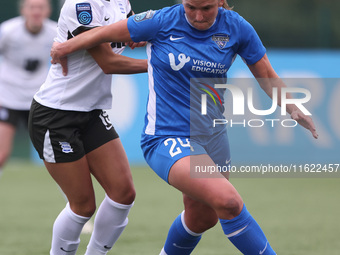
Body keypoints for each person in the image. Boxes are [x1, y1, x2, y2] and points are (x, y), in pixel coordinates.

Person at [50, 0, 319, 254]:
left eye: (207, 8)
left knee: (202, 217)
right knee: (229, 202)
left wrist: (294, 108)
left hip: (212, 136)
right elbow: (103, 33)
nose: (199, 16)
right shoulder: (161, 20)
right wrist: (64, 47)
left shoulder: (237, 27)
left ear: (221, 2)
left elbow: (268, 75)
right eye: (191, 7)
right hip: (166, 137)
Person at [28, 0, 147, 254]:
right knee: (82, 206)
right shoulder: (81, 5)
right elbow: (108, 62)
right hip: (56, 116)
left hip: (91, 113)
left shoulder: (119, 1)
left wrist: (139, 37)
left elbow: (132, 29)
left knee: (123, 193)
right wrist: (163, 67)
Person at [0, 0, 57, 178]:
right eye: (32, 7)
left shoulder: (56, 32)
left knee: (54, 155)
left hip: (39, 99)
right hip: (8, 97)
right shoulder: (8, 31)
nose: (36, 11)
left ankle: (73, 201)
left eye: (41, 7)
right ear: (23, 10)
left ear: (48, 11)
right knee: (2, 154)